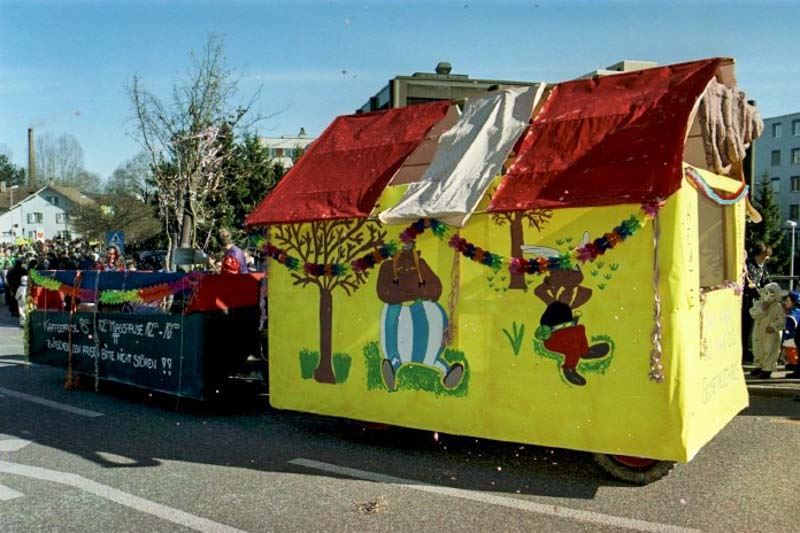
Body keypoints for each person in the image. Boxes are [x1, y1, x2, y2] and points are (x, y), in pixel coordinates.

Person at [742, 242, 772, 363]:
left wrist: (771, 290)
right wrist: (758, 293)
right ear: (761, 254)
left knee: (752, 327)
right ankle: (744, 351)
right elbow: (747, 282)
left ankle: (748, 350)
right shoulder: (748, 264)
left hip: (756, 300)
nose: (768, 257)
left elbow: (767, 280)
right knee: (745, 326)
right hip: (747, 300)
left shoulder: (762, 266)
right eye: (766, 254)